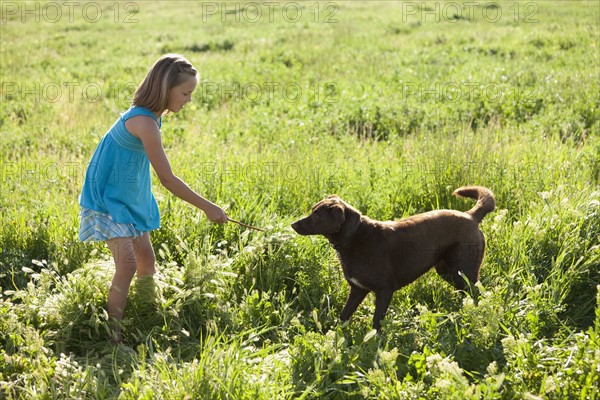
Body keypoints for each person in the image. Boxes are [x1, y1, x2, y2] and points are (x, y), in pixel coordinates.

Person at [78, 54, 228, 343]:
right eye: (185, 93)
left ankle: (147, 311)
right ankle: (114, 337)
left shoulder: (153, 117)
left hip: (128, 200)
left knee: (147, 258)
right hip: (108, 202)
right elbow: (167, 179)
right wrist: (208, 207)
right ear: (165, 88)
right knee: (128, 264)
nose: (188, 99)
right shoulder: (143, 122)